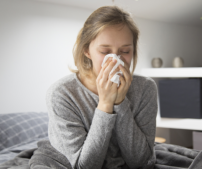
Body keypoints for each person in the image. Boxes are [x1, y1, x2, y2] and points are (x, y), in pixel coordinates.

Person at [46, 5, 158, 169]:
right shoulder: (62, 94)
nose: (116, 60)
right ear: (87, 50)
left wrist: (120, 103)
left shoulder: (146, 88)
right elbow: (85, 166)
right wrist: (105, 104)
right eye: (105, 52)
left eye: (125, 51)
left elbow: (141, 162)